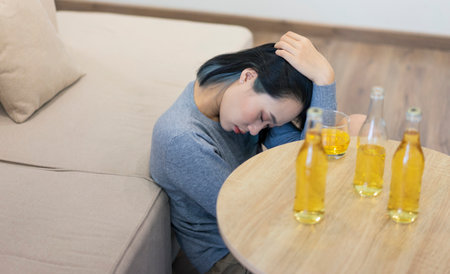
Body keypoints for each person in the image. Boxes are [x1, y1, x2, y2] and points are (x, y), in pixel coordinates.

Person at [150, 31, 363, 273]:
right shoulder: (182, 140)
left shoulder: (229, 91)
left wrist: (324, 80)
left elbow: (307, 157)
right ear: (248, 77)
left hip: (264, 205)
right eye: (263, 117)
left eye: (267, 124)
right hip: (235, 251)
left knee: (355, 125)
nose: (255, 131)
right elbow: (253, 215)